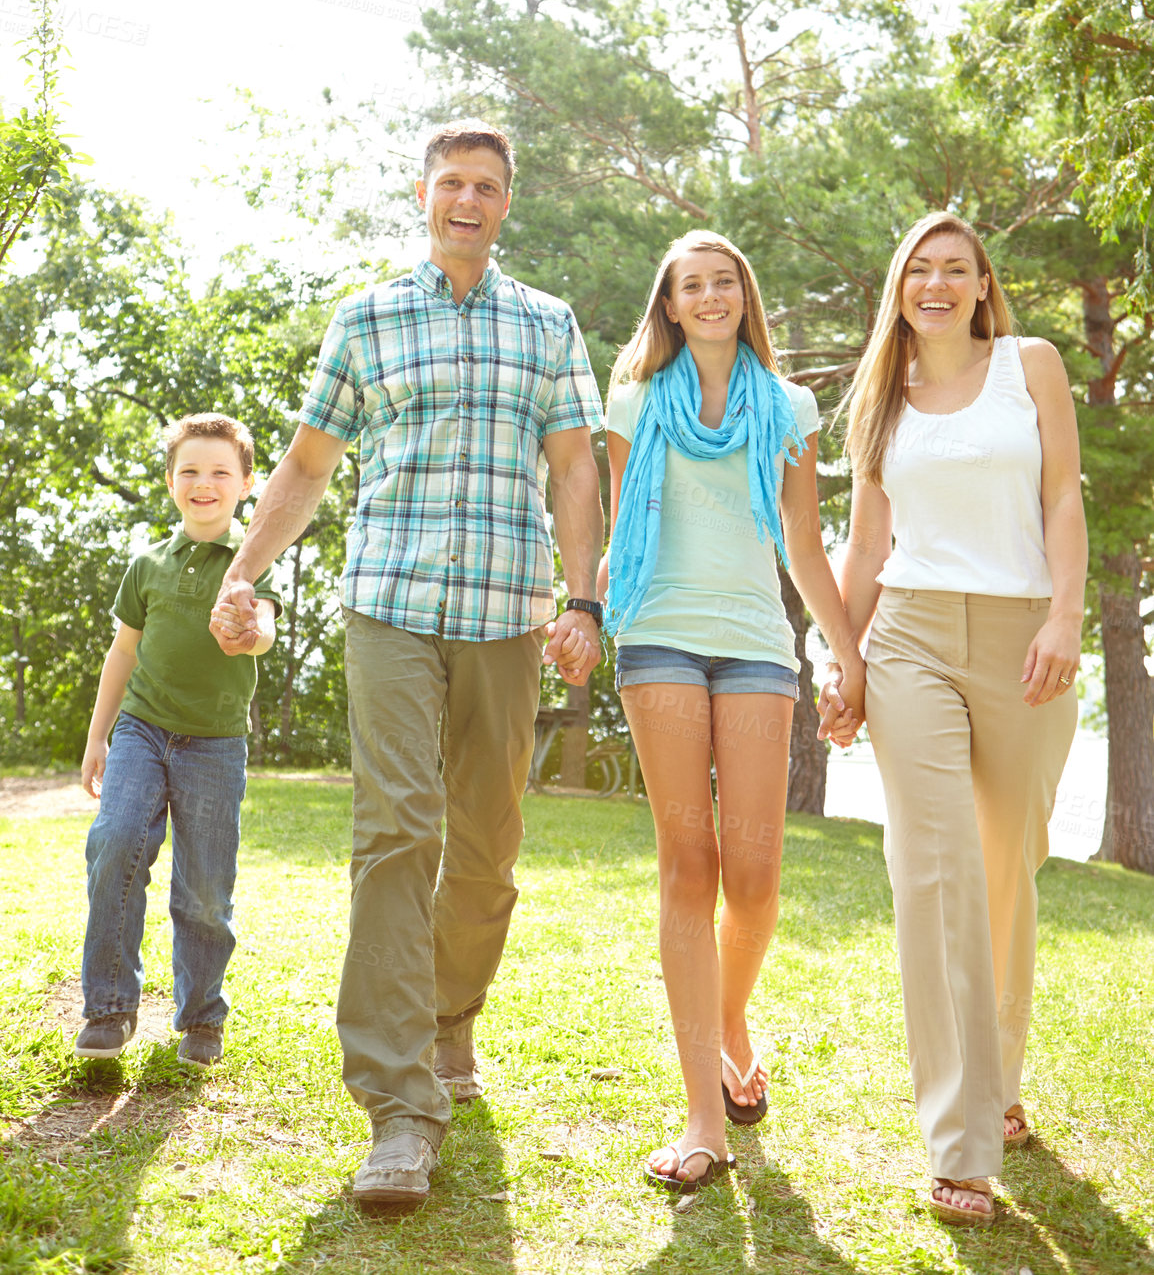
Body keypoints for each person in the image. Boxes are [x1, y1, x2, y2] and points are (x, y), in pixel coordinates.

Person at [211, 123, 604, 1210]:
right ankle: (396, 1103)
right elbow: (306, 464)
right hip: (388, 601)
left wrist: (583, 600)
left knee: (486, 845)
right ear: (423, 195)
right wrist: (241, 571)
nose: (466, 200)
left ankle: (447, 1016)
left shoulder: (547, 322)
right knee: (396, 829)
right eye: (450, 183)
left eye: (487, 186)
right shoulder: (368, 317)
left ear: (507, 203)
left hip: (506, 612)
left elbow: (575, 465)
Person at [820, 211, 1086, 1227]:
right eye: (917, 270)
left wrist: (1064, 617)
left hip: (1026, 636)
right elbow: (864, 545)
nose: (934, 284)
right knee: (934, 871)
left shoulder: (1031, 366)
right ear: (899, 289)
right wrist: (845, 662)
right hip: (911, 639)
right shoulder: (881, 399)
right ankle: (960, 1141)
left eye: (953, 269)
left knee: (1004, 867)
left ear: (981, 284)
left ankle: (997, 1078)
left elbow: (1061, 498)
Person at [599, 231, 867, 1193]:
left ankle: (729, 1018)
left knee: (753, 878)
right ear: (670, 305)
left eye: (724, 283)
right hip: (659, 635)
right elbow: (624, 520)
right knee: (690, 865)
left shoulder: (789, 407)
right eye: (692, 286)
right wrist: (586, 605)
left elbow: (802, 537)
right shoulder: (633, 400)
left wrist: (845, 648)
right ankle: (702, 1118)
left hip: (756, 640)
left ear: (744, 297)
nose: (709, 297)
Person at [76, 414, 281, 1068]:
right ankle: (109, 1009)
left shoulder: (253, 562)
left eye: (220, 471)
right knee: (115, 844)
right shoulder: (147, 565)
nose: (203, 482)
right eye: (189, 470)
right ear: (170, 482)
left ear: (246, 483)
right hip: (141, 730)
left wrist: (249, 632)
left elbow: (266, 627)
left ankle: (201, 1019)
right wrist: (98, 736)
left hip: (215, 744)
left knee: (205, 890)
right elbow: (122, 652)